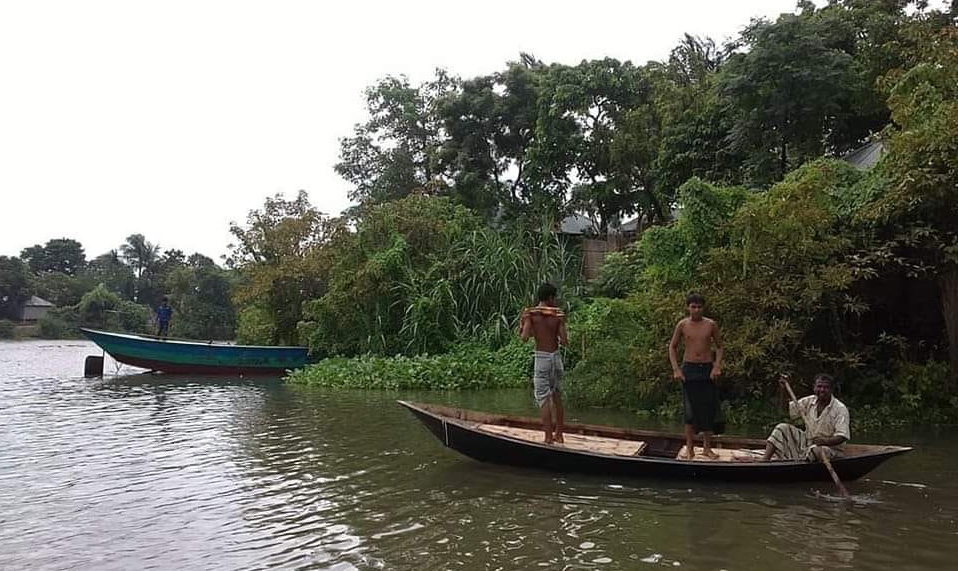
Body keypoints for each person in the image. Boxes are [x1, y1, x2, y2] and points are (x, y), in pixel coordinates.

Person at [668, 292, 724, 460]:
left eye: (699, 307)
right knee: (690, 410)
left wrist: (717, 366)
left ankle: (707, 448)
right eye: (693, 307)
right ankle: (690, 448)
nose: (696, 310)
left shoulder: (711, 324)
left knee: (708, 408)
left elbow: (720, 347)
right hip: (689, 368)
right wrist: (676, 369)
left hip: (706, 368)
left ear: (703, 308)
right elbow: (672, 347)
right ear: (688, 308)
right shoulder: (683, 325)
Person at [756, 373, 850, 462]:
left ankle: (801, 464)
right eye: (819, 386)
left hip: (830, 449)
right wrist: (784, 390)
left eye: (825, 387)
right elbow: (786, 412)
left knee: (817, 451)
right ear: (814, 387)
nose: (822, 390)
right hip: (808, 443)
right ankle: (765, 461)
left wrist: (824, 441)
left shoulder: (840, 409)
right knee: (781, 428)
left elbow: (842, 436)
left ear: (831, 389)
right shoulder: (809, 401)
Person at [520, 282, 569, 444]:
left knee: (543, 399)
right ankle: (559, 435)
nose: (555, 301)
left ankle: (548, 438)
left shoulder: (532, 315)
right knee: (557, 396)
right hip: (556, 358)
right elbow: (565, 341)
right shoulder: (556, 316)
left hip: (542, 358)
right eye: (554, 297)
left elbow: (524, 337)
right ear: (549, 297)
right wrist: (562, 323)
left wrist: (525, 320)